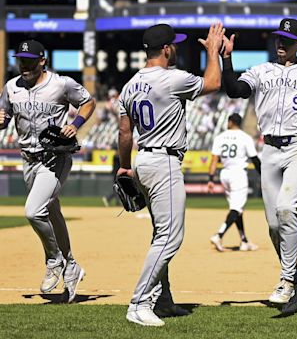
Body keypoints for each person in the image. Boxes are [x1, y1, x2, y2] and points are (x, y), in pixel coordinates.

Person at [221, 18, 297, 304]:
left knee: (286, 208)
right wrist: (226, 57)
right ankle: (296, 277)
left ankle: (286, 281)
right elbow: (234, 90)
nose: (280, 43)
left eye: (287, 39)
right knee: (274, 226)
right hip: (270, 150)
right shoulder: (260, 71)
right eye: (278, 38)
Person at [118, 22, 224, 326]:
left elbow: (125, 133)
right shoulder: (172, 78)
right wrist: (213, 52)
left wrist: (125, 166)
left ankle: (162, 301)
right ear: (166, 49)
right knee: (170, 237)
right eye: (173, 44)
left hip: (142, 160)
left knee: (159, 233)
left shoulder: (130, 85)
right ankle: (138, 303)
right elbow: (213, 83)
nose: (175, 48)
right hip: (164, 161)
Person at [0, 40, 95, 302]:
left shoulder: (61, 84)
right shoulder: (11, 87)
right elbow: (4, 115)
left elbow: (88, 102)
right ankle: (72, 265)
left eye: (29, 59)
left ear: (42, 60)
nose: (24, 64)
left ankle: (54, 260)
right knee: (52, 212)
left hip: (55, 158)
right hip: (28, 160)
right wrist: (1, 120)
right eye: (21, 59)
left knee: (33, 211)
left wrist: (76, 123)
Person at [208, 113, 261, 252]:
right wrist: (264, 175)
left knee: (237, 208)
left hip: (224, 174)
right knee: (236, 208)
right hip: (238, 174)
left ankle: (244, 241)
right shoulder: (245, 137)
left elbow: (214, 160)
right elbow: (255, 160)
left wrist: (210, 179)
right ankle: (219, 235)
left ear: (231, 122)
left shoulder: (220, 137)